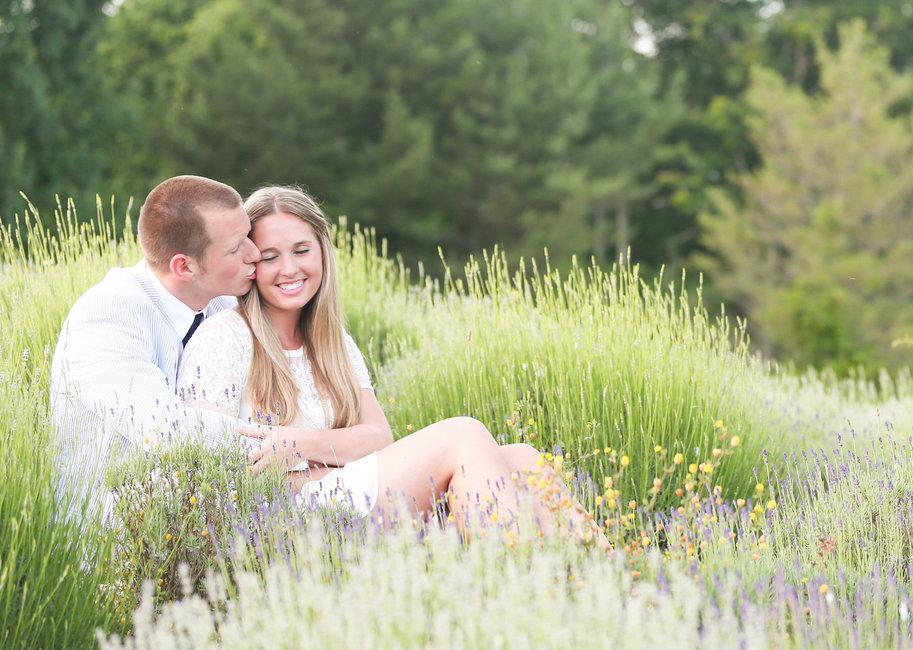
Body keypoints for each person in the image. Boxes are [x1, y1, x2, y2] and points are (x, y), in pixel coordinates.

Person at [176, 185, 599, 543]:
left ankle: (617, 585)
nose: (289, 269)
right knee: (463, 434)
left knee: (521, 458)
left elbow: (378, 437)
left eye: (301, 250)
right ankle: (522, 589)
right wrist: (327, 463)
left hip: (344, 490)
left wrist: (299, 445)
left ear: (321, 252)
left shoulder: (332, 340)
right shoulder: (224, 339)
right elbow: (218, 473)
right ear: (250, 262)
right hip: (282, 521)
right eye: (269, 257)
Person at [49, 174, 301, 519]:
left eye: (249, 236)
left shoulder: (222, 303)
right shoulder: (108, 315)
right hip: (120, 529)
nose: (255, 253)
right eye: (236, 246)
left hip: (214, 504)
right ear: (184, 266)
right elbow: (167, 433)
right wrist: (299, 445)